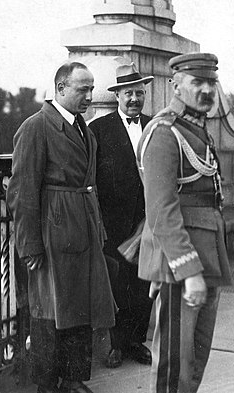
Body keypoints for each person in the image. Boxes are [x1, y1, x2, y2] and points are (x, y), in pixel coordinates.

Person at [7, 61, 116, 393]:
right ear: (60, 89)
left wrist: (97, 227)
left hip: (81, 228)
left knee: (79, 307)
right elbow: (22, 191)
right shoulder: (36, 127)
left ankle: (73, 379)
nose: (89, 96)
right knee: (49, 311)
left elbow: (89, 183)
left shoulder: (83, 126)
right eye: (82, 89)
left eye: (91, 89)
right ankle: (46, 384)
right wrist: (29, 245)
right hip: (53, 234)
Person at [137, 52, 232, 393]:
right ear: (175, 85)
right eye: (198, 82)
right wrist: (189, 272)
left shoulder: (196, 129)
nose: (207, 90)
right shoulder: (164, 132)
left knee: (195, 357)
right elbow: (161, 210)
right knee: (175, 363)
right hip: (183, 263)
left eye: (212, 83)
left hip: (205, 253)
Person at [88, 61, 154, 369]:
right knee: (117, 285)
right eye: (128, 93)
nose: (134, 100)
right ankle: (115, 345)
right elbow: (89, 177)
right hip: (112, 222)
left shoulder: (155, 127)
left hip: (148, 221)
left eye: (139, 93)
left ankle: (136, 342)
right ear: (117, 96)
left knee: (143, 284)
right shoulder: (98, 130)